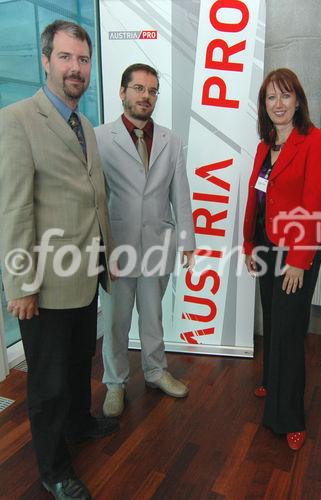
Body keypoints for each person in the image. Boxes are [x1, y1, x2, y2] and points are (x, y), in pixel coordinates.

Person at [0, 20, 118, 500]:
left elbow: (90, 194)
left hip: (83, 274)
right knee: (47, 384)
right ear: (45, 61)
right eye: (66, 58)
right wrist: (21, 286)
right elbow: (13, 208)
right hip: (44, 284)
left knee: (77, 362)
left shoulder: (83, 121)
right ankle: (53, 468)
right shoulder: (16, 120)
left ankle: (79, 424)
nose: (76, 68)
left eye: (83, 60)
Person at [95, 63, 195, 418]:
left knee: (152, 317)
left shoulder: (171, 140)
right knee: (116, 322)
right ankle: (115, 383)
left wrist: (186, 239)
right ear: (122, 92)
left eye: (152, 91)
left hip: (157, 245)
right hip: (117, 248)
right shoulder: (99, 138)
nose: (146, 96)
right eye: (138, 88)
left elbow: (179, 192)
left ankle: (155, 371)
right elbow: (96, 195)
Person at [243, 68, 321, 451]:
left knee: (289, 330)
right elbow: (257, 197)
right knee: (272, 316)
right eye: (270, 98)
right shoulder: (266, 144)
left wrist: (298, 260)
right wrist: (249, 243)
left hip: (296, 251)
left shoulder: (319, 143)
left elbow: (315, 205)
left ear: (298, 100)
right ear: (264, 105)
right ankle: (272, 380)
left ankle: (290, 417)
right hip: (265, 245)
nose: (278, 104)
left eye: (285, 96)